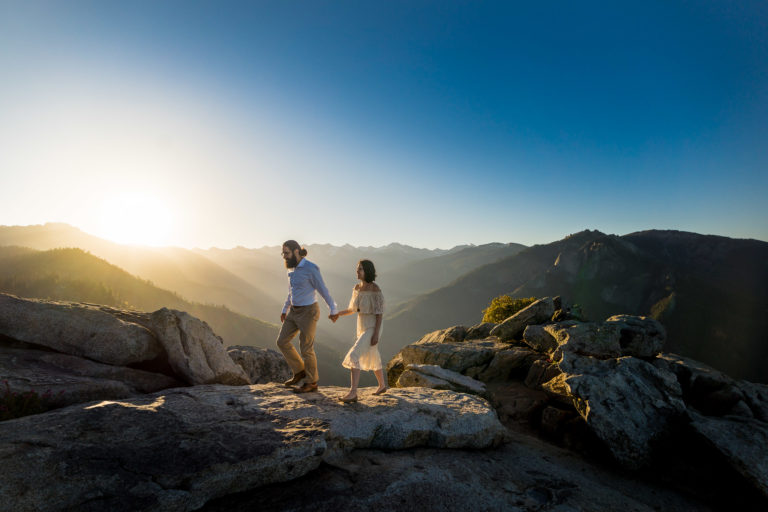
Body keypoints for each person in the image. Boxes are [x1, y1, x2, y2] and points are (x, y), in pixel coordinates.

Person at [276, 240, 339, 393]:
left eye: (286, 253)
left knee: (306, 348)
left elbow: (323, 290)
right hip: (294, 311)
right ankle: (299, 371)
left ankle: (312, 383)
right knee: (282, 341)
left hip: (309, 311)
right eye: (283, 253)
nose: (284, 256)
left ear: (296, 251)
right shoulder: (291, 269)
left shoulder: (311, 268)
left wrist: (333, 309)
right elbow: (291, 291)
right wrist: (285, 309)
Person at [332, 259, 387, 402]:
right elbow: (352, 309)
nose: (357, 271)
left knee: (354, 355)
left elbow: (379, 313)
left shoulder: (375, 289)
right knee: (372, 354)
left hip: (373, 326)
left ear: (367, 271)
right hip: (362, 325)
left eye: (360, 269)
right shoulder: (357, 288)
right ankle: (382, 385)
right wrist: (338, 314)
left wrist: (375, 334)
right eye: (357, 269)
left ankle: (353, 393)